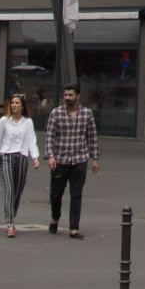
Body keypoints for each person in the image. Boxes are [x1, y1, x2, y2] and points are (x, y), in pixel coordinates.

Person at [44, 83, 99, 239]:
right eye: (66, 95)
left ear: (78, 96)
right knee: (56, 194)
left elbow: (92, 136)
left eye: (70, 95)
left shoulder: (87, 114)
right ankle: (55, 218)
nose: (67, 98)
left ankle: (74, 228)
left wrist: (95, 158)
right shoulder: (56, 113)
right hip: (60, 160)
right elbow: (49, 136)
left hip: (79, 159)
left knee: (76, 194)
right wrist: (50, 156)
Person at [0, 94, 40, 238]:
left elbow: (32, 141)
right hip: (6, 157)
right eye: (12, 103)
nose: (14, 105)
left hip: (21, 158)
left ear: (22, 106)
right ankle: (10, 224)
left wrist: (35, 157)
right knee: (9, 190)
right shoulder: (4, 121)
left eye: (17, 103)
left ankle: (11, 215)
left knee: (17, 192)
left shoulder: (27, 122)